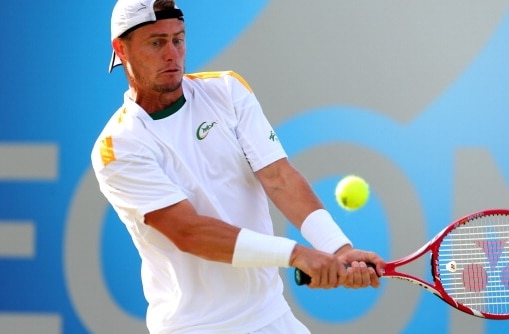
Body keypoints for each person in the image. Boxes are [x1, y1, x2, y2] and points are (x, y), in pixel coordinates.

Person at [91, 0, 386, 333]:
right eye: (156, 43)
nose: (172, 53)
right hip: (196, 327)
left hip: (273, 316)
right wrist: (295, 254)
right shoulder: (118, 147)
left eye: (178, 38)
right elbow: (189, 232)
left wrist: (338, 248)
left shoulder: (227, 91)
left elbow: (280, 178)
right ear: (122, 49)